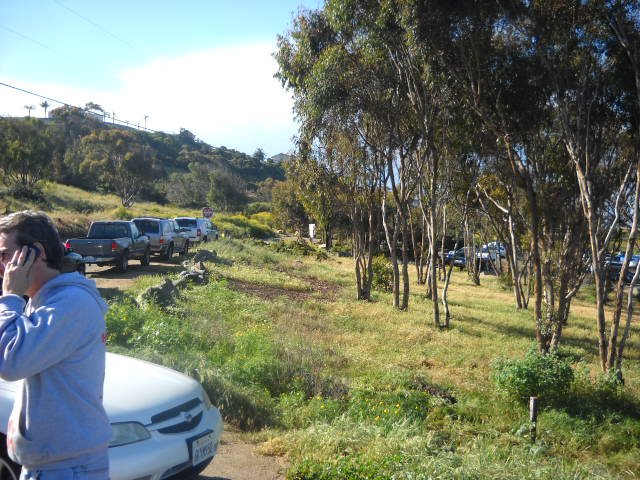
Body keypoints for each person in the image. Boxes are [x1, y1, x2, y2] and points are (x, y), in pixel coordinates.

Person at [0, 211, 111, 480]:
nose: (0, 264)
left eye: (4, 254)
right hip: (55, 465)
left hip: (67, 469)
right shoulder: (44, 301)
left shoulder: (69, 303)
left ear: (35, 252)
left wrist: (10, 296)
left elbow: (9, 361)